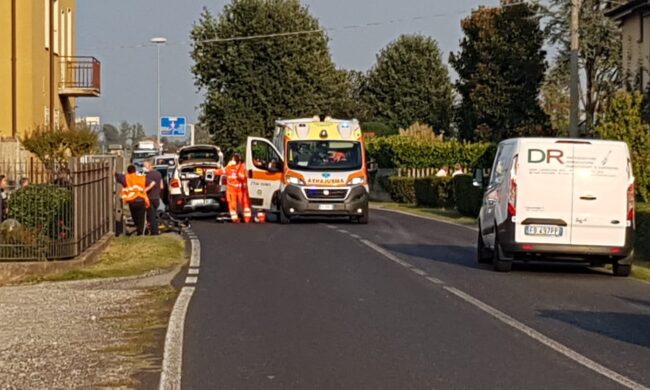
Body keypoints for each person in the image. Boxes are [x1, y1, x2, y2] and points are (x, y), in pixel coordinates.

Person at [216, 154, 251, 223]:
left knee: (245, 203)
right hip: (232, 190)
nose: (233, 161)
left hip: (241, 189)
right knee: (232, 204)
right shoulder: (229, 167)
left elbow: (244, 176)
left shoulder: (243, 167)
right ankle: (235, 218)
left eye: (234, 159)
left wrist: (238, 173)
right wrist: (209, 170)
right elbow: (220, 171)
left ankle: (247, 218)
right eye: (233, 159)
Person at [116, 165, 150, 235]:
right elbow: (151, 183)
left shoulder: (126, 178)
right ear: (135, 171)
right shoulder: (142, 178)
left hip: (132, 201)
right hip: (141, 200)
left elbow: (118, 176)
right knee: (141, 218)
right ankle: (141, 232)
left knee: (135, 217)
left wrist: (114, 172)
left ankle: (139, 230)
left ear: (128, 171)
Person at [143, 159, 164, 235]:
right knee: (153, 214)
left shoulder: (147, 176)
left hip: (150, 198)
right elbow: (161, 186)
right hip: (156, 198)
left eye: (145, 166)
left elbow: (148, 185)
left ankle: (154, 232)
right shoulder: (159, 174)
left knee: (151, 216)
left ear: (150, 166)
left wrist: (144, 190)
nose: (144, 167)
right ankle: (153, 228)